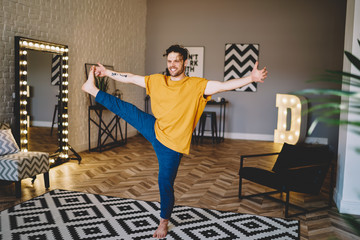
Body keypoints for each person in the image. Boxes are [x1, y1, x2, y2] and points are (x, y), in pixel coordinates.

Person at [82, 44, 267, 239]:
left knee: (165, 182)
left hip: (172, 145)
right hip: (155, 128)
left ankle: (163, 222)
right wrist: (108, 72)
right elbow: (131, 78)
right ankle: (91, 88)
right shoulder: (157, 80)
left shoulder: (197, 85)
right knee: (127, 109)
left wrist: (251, 78)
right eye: (169, 61)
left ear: (185, 62)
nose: (172, 65)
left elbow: (223, 85)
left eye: (176, 61)